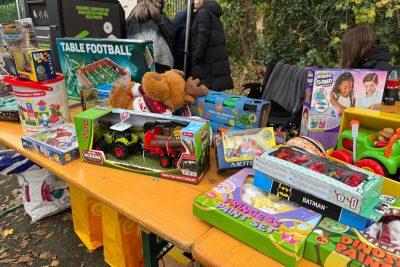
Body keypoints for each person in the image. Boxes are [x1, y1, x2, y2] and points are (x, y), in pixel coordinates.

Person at [190, 0, 234, 91]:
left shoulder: (203, 12)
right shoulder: (212, 13)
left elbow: (203, 35)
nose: (194, 2)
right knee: (215, 98)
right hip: (214, 64)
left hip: (207, 65)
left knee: (208, 97)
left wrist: (197, 56)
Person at [126, 0, 174, 73]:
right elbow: (171, 36)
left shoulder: (131, 17)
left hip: (135, 62)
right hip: (159, 64)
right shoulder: (160, 16)